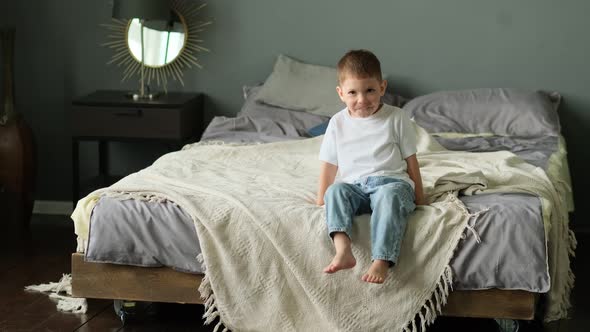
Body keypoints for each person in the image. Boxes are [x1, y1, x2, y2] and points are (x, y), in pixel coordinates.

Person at [316, 49, 425, 284]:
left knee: (389, 196)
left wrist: (420, 196)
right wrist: (320, 199)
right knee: (334, 191)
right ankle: (343, 249)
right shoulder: (337, 123)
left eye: (370, 91)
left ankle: (381, 259)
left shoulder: (396, 118)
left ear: (382, 87)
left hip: (392, 183)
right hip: (355, 187)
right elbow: (329, 165)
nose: (362, 99)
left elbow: (411, 160)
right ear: (341, 93)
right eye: (352, 92)